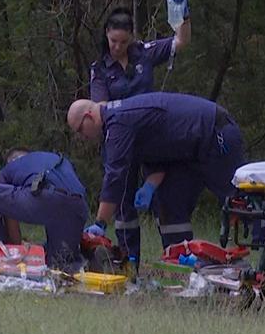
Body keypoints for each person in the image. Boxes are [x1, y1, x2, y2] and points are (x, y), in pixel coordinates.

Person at [67, 92, 244, 249]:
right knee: (169, 201)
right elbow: (160, 154)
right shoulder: (119, 120)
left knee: (241, 203)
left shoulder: (118, 121)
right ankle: (180, 264)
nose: (82, 136)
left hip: (215, 135)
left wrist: (101, 223)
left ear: (89, 116)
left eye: (80, 129)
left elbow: (115, 175)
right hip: (189, 152)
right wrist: (149, 186)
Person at [89, 0, 191, 259]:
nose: (118, 47)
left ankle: (176, 258)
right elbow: (100, 109)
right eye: (113, 41)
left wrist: (182, 18)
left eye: (123, 42)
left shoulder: (143, 53)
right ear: (106, 35)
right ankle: (128, 263)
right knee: (123, 206)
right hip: (120, 140)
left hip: (152, 138)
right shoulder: (100, 69)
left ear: (131, 38)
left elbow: (181, 42)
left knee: (164, 199)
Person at [0, 149, 89, 271]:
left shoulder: (9, 170)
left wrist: (16, 249)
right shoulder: (57, 159)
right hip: (79, 205)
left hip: (46, 197)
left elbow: (11, 221)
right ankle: (91, 261)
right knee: (60, 264)